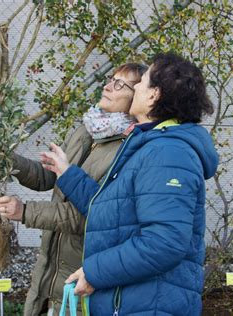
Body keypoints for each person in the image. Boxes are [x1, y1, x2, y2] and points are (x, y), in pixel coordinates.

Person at [41, 52, 219, 315]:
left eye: (143, 81)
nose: (135, 86)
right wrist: (67, 174)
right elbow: (112, 211)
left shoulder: (168, 153)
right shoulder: (149, 144)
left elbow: (164, 242)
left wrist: (95, 272)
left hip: (148, 306)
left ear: (154, 95)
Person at [0, 62, 148, 315]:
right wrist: (4, 160)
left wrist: (24, 211)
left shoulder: (128, 149)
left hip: (81, 278)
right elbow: (48, 178)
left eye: (119, 83)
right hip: (49, 272)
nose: (107, 86)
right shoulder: (88, 130)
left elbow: (89, 216)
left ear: (137, 96)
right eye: (110, 78)